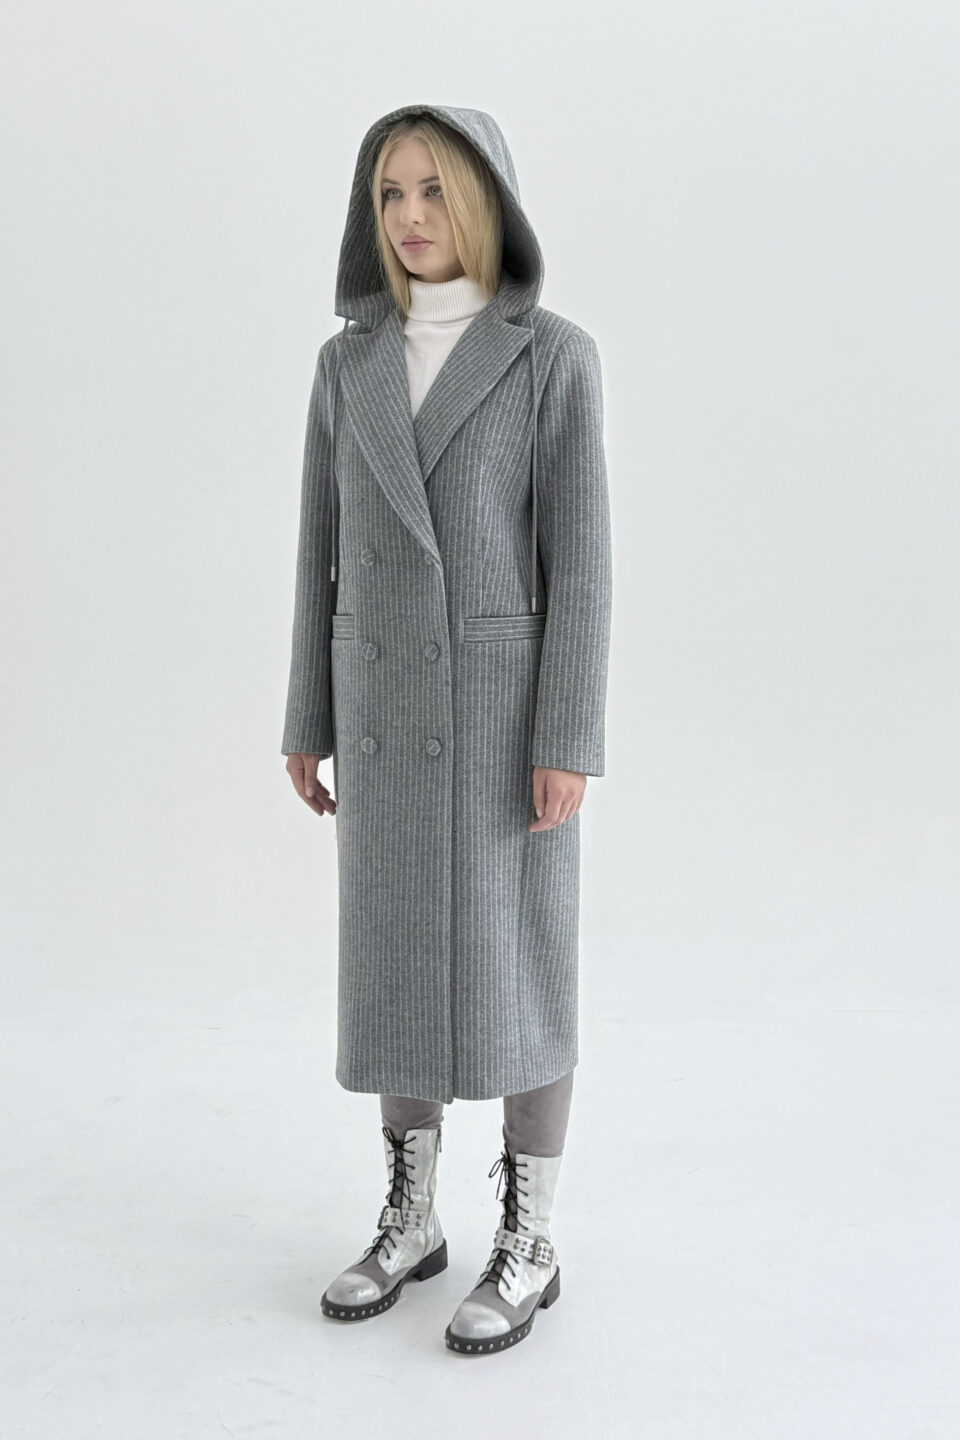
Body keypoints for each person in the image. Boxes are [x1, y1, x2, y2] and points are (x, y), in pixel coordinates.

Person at [281, 103, 612, 1356]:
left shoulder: (551, 357)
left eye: (433, 189)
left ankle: (531, 1235)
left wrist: (567, 733)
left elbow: (581, 564)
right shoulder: (346, 364)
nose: (410, 216)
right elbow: (317, 554)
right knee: (395, 961)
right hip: (379, 711)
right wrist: (307, 714)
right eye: (389, 194)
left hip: (501, 720)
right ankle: (412, 1216)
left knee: (522, 962)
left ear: (484, 200)